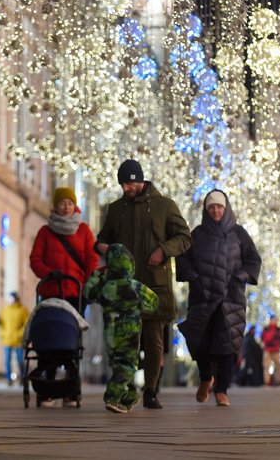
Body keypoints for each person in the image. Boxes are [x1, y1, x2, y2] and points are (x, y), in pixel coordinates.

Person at [95, 159, 191, 409]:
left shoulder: (164, 206)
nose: (125, 188)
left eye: (129, 183)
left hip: (153, 282)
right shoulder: (116, 209)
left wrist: (163, 250)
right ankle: (126, 388)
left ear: (139, 180)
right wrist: (108, 249)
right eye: (123, 184)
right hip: (124, 287)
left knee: (153, 339)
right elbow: (102, 240)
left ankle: (151, 389)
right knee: (124, 342)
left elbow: (184, 237)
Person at [176, 189, 261, 407]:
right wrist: (194, 277)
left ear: (226, 208)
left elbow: (253, 260)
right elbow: (183, 260)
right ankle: (206, 378)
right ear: (206, 209)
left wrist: (240, 276)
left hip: (230, 299)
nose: (215, 211)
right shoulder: (197, 234)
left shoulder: (239, 234)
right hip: (202, 298)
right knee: (199, 344)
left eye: (219, 207)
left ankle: (222, 390)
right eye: (211, 207)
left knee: (227, 346)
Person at [84, 243, 159, 413]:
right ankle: (112, 396)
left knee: (119, 365)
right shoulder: (134, 286)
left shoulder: (104, 286)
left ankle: (129, 397)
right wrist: (139, 307)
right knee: (127, 365)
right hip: (130, 332)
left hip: (110, 332)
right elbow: (153, 303)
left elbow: (88, 292)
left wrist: (97, 274)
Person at [30, 187, 99, 313]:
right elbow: (35, 260)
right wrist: (49, 273)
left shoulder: (84, 230)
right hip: (51, 291)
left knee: (73, 328)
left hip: (76, 292)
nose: (67, 207)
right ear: (55, 206)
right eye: (62, 203)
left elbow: (92, 260)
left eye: (70, 203)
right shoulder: (45, 232)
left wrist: (89, 284)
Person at [0, 292, 29, 386]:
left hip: (19, 339)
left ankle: (23, 378)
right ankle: (9, 379)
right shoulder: (5, 310)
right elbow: (1, 324)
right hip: (7, 339)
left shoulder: (22, 310)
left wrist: (20, 333)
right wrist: (3, 333)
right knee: (7, 360)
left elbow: (26, 323)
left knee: (20, 360)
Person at [261, 315, 280, 386]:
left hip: (276, 350)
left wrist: (277, 344)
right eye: (272, 319)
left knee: (278, 366)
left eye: (275, 319)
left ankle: (278, 381)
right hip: (267, 350)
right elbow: (262, 338)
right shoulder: (266, 329)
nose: (273, 321)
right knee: (266, 366)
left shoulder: (279, 329)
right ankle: (266, 381)